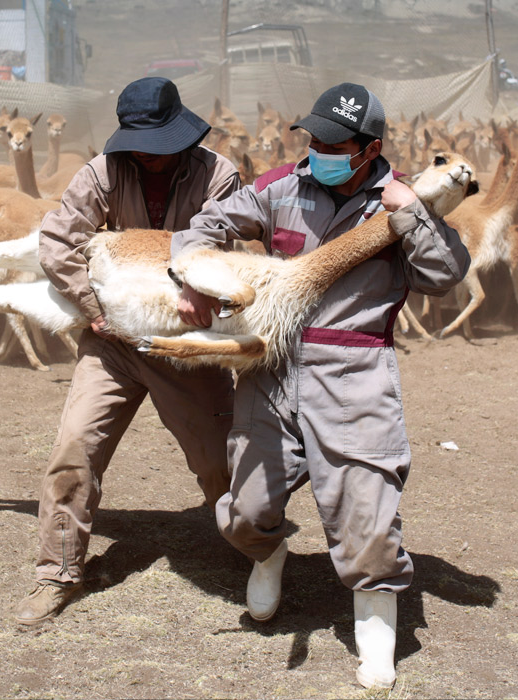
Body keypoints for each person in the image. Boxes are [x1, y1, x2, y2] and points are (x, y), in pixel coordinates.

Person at [171, 83, 470, 689]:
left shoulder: (406, 199)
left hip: (354, 371)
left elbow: (446, 274)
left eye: (335, 144)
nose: (320, 153)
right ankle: (268, 551)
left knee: (366, 509)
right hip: (270, 364)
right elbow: (204, 225)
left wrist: (408, 211)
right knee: (246, 510)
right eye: (314, 140)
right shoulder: (281, 186)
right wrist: (191, 277)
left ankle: (378, 627)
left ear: (370, 150)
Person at [14, 77, 241, 626]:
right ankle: (58, 572)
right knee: (74, 450)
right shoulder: (103, 172)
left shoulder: (218, 175)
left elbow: (221, 247)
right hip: (112, 340)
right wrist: (95, 308)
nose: (147, 151)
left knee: (220, 462)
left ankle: (252, 549)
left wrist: (191, 291)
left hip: (184, 342)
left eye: (159, 139)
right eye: (138, 139)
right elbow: (57, 241)